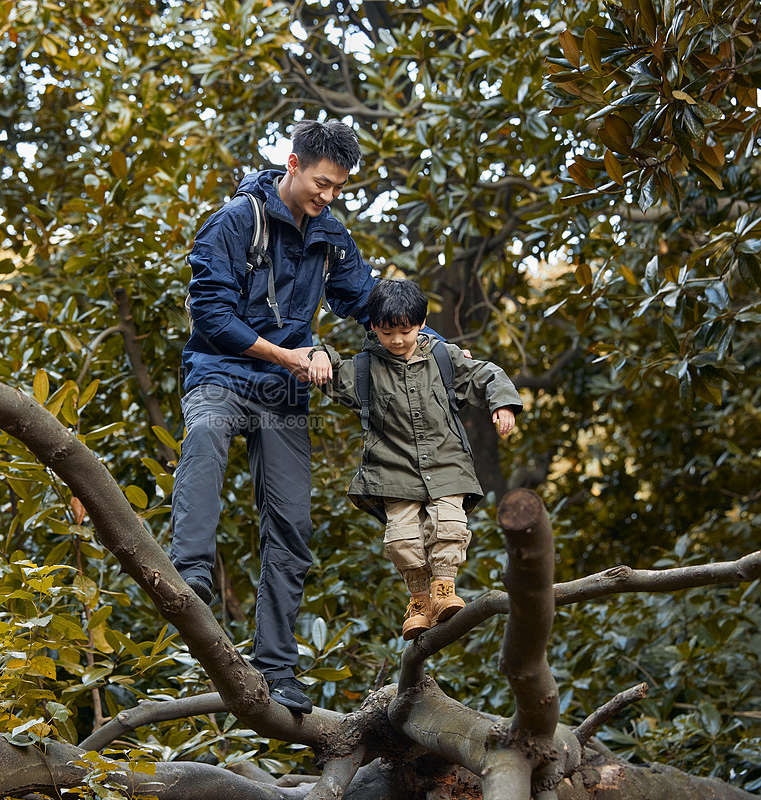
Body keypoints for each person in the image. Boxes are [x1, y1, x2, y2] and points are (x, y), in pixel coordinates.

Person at [171, 119, 378, 714]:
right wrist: (287, 354)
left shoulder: (330, 235)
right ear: (292, 165)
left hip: (283, 396)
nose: (328, 195)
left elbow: (367, 303)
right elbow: (211, 316)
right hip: (221, 374)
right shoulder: (236, 221)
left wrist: (430, 341)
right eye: (321, 182)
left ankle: (277, 668)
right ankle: (188, 577)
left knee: (291, 524)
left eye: (338, 187)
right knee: (206, 434)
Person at [308, 279, 522, 640]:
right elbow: (330, 370)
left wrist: (502, 403)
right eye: (388, 332)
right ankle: (420, 600)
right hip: (391, 470)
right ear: (373, 326)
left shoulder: (444, 357)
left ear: (421, 324)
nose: (397, 340)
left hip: (447, 462)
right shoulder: (364, 369)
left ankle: (444, 589)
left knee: (449, 526)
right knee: (402, 540)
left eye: (405, 331)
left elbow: (486, 374)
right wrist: (318, 355)